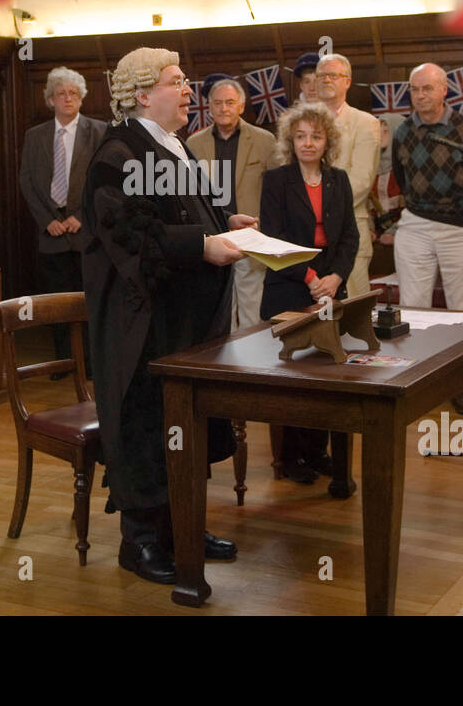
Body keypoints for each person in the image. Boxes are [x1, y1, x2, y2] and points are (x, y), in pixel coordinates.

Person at [82, 47, 254, 585]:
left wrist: (226, 221)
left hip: (186, 322)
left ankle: (184, 529)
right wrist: (204, 246)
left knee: (186, 425)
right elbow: (133, 237)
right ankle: (141, 543)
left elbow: (184, 214)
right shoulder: (118, 153)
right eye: (177, 81)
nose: (188, 90)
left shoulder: (175, 145)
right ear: (141, 94)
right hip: (142, 325)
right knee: (147, 426)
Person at [259, 103, 359, 484]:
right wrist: (312, 277)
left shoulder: (340, 180)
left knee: (325, 377)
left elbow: (350, 236)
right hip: (288, 287)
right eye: (300, 136)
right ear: (290, 140)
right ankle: (289, 459)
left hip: (330, 290)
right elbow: (271, 240)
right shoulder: (275, 180)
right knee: (290, 378)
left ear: (327, 141)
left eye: (315, 136)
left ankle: (318, 453)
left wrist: (334, 277)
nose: (307, 143)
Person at [390, 63, 463, 415]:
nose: (421, 96)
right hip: (417, 225)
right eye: (415, 89)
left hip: (461, 230)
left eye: (428, 89)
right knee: (414, 307)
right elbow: (401, 180)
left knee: (462, 311)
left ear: (444, 90)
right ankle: (415, 379)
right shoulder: (403, 132)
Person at [17, 67, 106, 369]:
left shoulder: (100, 131)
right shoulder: (35, 135)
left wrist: (81, 216)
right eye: (61, 94)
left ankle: (92, 364)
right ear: (50, 100)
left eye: (73, 93)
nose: (67, 99)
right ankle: (64, 362)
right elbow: (27, 181)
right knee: (56, 303)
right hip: (51, 232)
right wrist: (46, 221)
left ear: (81, 98)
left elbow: (105, 180)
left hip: (86, 230)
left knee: (87, 299)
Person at [187, 75, 278, 330]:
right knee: (221, 315)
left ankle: (253, 366)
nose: (223, 108)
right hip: (214, 238)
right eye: (217, 103)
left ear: (241, 105)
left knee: (252, 314)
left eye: (230, 102)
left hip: (251, 236)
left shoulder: (264, 141)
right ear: (209, 107)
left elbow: (276, 193)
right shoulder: (193, 144)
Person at [314, 53, 380, 296]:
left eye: (334, 75)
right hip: (306, 237)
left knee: (352, 315)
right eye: (321, 76)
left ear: (348, 82)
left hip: (347, 232)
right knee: (312, 317)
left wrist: (315, 207)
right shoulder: (300, 121)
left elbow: (361, 182)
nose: (326, 80)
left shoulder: (365, 123)